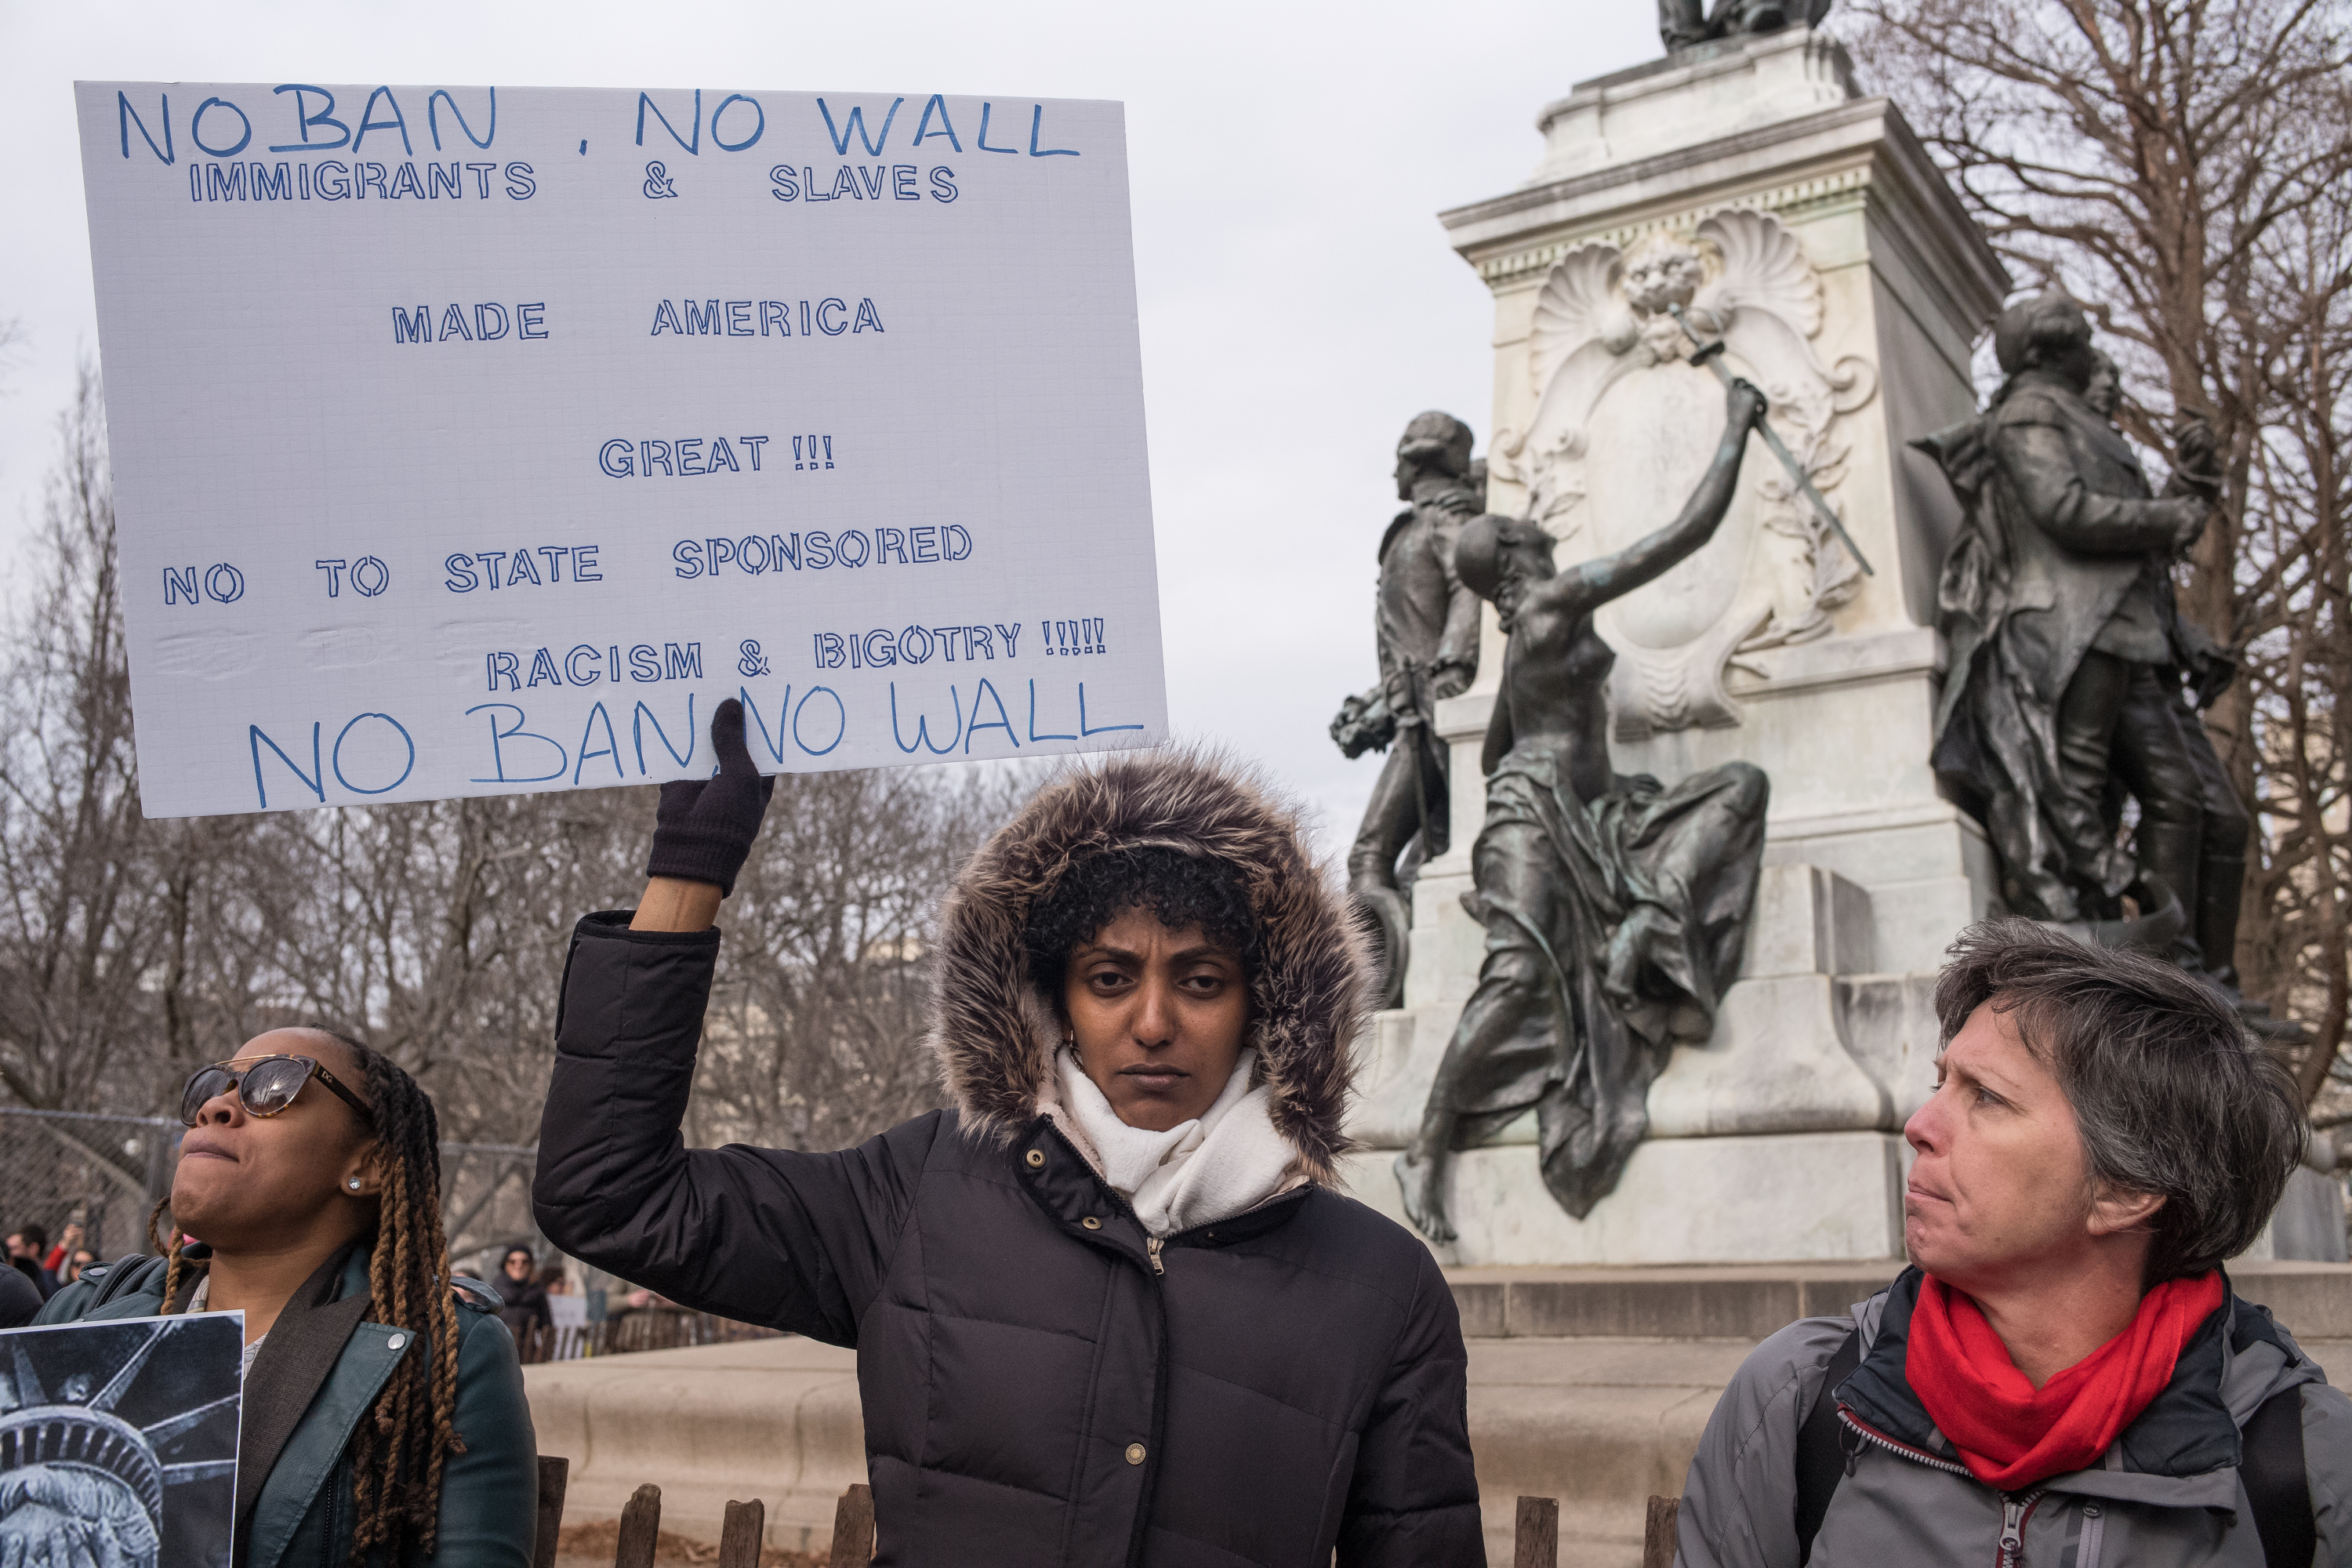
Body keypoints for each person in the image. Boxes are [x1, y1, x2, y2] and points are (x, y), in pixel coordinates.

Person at [535, 717, 1484, 1564]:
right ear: (1055, 996)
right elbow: (613, 1194)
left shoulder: (1384, 1287)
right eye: (1111, 977)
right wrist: (689, 872)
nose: (1153, 1021)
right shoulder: (918, 1189)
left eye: (1200, 980)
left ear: (1264, 1005)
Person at [1674, 920, 2350, 1566]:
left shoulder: (2305, 1468)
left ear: (2124, 1190)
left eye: (1987, 1098)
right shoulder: (1801, 1399)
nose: (1918, 1125)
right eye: (1941, 1083)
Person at [1395, 379, 1773, 1237]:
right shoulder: (1554, 603)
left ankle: (1646, 918)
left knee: (1740, 788)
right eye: (1534, 532)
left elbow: (1494, 749)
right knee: (1519, 977)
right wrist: (1737, 430)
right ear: (1519, 556)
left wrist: (1558, 788)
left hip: (1584, 814)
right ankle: (1426, 1146)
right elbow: (1685, 534)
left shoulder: (1528, 626)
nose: (1548, 531)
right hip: (1536, 821)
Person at [38, 1028, 539, 1567]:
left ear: (367, 1166)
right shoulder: (83, 1313)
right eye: (211, 1086)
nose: (217, 1107)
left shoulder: (449, 1353)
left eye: (274, 1086)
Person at [1330, 411, 1484, 1005]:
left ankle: (1377, 984)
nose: (1392, 467)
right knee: (1426, 853)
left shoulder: (1449, 518)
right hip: (1414, 716)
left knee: (1374, 852)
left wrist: (1451, 663)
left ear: (1418, 460)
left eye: (1400, 455)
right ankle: (1405, 978)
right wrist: (1375, 705)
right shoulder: (1416, 525)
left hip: (1438, 715)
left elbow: (1471, 581)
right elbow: (1406, 639)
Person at [492, 1244, 551, 1347]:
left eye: (525, 1262)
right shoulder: (492, 1292)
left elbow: (547, 1328)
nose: (518, 1266)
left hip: (528, 1355)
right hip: (497, 1352)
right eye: (512, 1261)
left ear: (531, 1265)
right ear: (505, 1264)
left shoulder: (538, 1292)